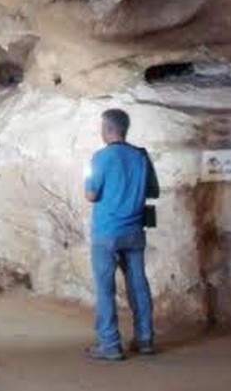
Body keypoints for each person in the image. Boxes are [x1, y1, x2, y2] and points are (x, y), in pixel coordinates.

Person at [83, 108, 160, 361]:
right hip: (134, 230)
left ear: (107, 129)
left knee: (105, 289)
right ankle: (145, 339)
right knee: (138, 285)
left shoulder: (100, 157)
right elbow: (152, 191)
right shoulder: (141, 156)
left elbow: (91, 194)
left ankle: (110, 344)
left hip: (106, 232)